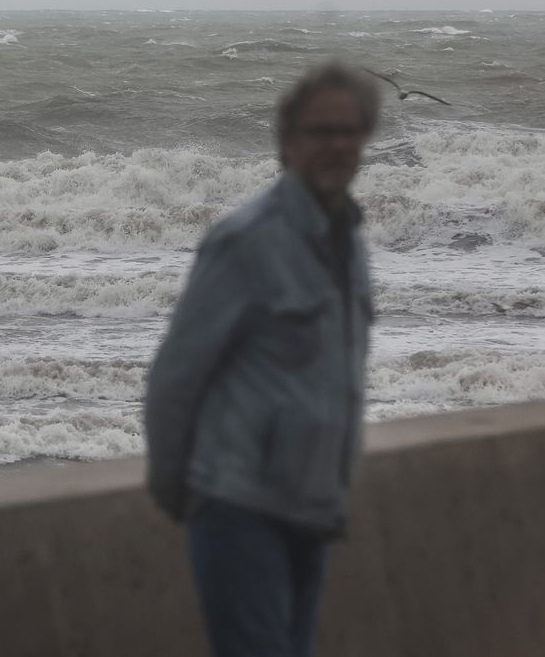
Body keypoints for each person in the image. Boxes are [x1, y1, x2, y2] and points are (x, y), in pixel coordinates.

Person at [143, 61, 380, 657]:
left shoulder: (347, 239)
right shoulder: (245, 240)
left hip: (313, 507)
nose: (338, 145)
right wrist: (182, 492)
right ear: (287, 141)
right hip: (239, 507)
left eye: (350, 132)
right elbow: (176, 375)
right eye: (321, 131)